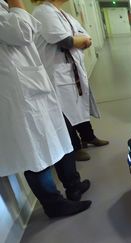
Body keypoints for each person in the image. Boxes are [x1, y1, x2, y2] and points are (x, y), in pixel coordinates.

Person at [0, 0, 91, 218]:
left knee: (60, 135)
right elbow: (20, 31)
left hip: (31, 84)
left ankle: (73, 185)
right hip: (17, 92)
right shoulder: (21, 8)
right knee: (34, 151)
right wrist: (16, 3)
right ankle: (54, 204)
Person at [31, 0, 109, 161]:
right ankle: (74, 147)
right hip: (57, 72)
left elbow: (87, 37)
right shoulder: (43, 12)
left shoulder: (64, 14)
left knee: (79, 106)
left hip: (71, 71)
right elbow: (66, 42)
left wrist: (81, 40)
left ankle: (88, 136)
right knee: (66, 111)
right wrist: (79, 41)